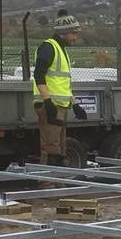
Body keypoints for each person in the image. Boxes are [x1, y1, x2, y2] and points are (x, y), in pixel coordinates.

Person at [34, 11, 86, 165]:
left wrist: (75, 104)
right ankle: (47, 184)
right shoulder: (49, 48)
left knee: (60, 149)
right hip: (51, 106)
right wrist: (47, 101)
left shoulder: (61, 50)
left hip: (60, 106)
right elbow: (39, 75)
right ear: (63, 33)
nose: (75, 37)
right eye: (73, 33)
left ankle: (57, 183)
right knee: (51, 149)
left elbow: (62, 85)